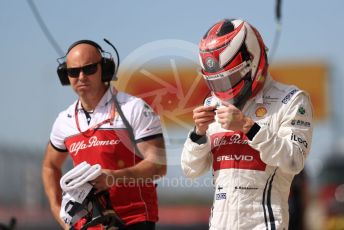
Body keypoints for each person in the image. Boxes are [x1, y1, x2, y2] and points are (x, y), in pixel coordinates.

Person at [181, 18, 313, 229]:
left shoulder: (292, 100)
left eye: (229, 79)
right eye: (216, 81)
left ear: (252, 62)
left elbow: (294, 161)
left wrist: (248, 127)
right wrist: (198, 133)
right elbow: (190, 170)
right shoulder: (212, 104)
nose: (223, 88)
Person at [42, 39, 167, 230]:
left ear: (105, 69)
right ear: (65, 75)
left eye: (89, 68)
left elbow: (159, 166)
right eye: (74, 72)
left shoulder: (134, 108)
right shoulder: (63, 120)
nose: (81, 76)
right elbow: (50, 166)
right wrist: (57, 210)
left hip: (134, 219)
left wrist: (113, 177)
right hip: (87, 224)